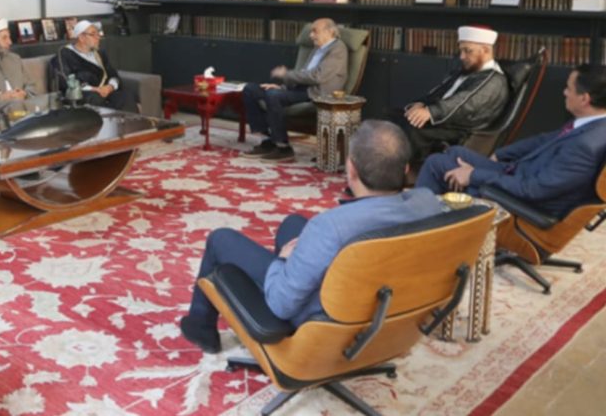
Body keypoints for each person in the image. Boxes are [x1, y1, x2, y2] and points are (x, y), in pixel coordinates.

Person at [179, 120, 444, 353]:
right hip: (383, 304)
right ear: (406, 169)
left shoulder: (331, 226)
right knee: (293, 224)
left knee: (221, 239)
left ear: (351, 170)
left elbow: (281, 303)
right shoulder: (428, 203)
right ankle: (288, 280)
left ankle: (201, 327)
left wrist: (283, 262)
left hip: (327, 321)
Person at [416, 64, 606, 220]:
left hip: (523, 203)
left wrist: (473, 175)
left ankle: (420, 229)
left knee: (436, 164)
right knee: (456, 153)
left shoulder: (585, 145)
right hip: (520, 175)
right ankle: (440, 219)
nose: (564, 92)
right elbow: (542, 140)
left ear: (584, 99)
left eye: (569, 88)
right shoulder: (592, 126)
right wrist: (500, 155)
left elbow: (534, 190)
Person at [392, 26, 509, 164]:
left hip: (460, 129)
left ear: (485, 50)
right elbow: (438, 91)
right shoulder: (468, 70)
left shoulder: (494, 80)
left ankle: (403, 170)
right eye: (461, 50)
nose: (462, 56)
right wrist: (421, 103)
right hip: (445, 120)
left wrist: (430, 112)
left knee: (411, 129)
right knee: (394, 116)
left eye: (468, 51)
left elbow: (464, 103)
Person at [241, 18, 348, 162]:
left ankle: (283, 148)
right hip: (300, 89)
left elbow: (317, 76)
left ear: (330, 32)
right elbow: (303, 73)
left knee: (273, 96)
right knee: (250, 89)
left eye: (315, 31)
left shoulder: (338, 49)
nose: (311, 35)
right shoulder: (317, 48)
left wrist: (286, 74)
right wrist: (282, 87)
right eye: (311, 32)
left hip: (316, 93)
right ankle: (268, 141)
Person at [49, 20, 138, 112]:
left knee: (126, 96)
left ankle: (133, 121)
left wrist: (110, 87)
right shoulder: (64, 54)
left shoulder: (100, 54)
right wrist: (95, 89)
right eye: (93, 34)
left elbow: (113, 74)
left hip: (105, 91)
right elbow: (66, 81)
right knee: (94, 98)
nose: (98, 37)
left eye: (98, 34)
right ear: (81, 37)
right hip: (83, 94)